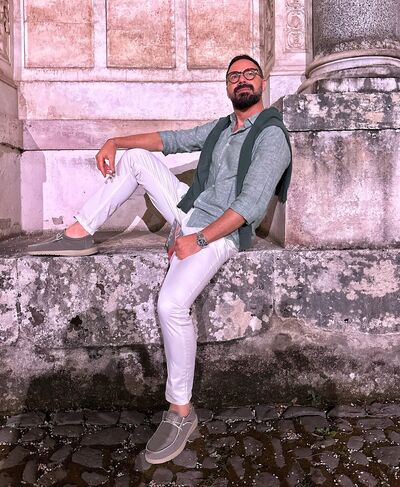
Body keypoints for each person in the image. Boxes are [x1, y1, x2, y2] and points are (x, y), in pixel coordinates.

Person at [28, 54, 292, 464]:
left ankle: (181, 412)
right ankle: (79, 233)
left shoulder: (271, 136)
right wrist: (117, 142)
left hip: (220, 232)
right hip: (191, 211)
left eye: (250, 74)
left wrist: (196, 240)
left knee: (171, 304)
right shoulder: (223, 127)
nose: (242, 80)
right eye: (234, 76)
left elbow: (250, 206)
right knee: (135, 158)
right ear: (227, 86)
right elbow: (172, 140)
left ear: (261, 83)